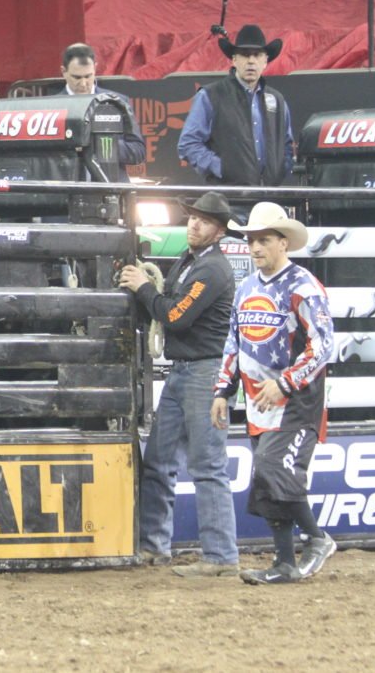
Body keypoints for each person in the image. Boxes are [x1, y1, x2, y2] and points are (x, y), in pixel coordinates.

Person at [213, 202, 335, 584]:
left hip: (296, 400)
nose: (255, 248)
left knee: (273, 468)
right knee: (267, 481)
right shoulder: (246, 288)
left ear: (283, 243)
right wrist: (223, 390)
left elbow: (323, 344)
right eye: (251, 240)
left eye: (264, 240)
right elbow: (234, 343)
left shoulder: (303, 286)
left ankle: (316, 538)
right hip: (257, 399)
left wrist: (285, 382)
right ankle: (284, 562)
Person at [119, 192, 239, 577]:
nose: (193, 224)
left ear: (218, 231)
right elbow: (171, 304)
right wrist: (150, 292)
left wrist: (142, 287)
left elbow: (175, 314)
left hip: (204, 371)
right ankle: (155, 546)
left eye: (203, 221)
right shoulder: (194, 262)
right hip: (187, 369)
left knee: (206, 464)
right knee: (159, 459)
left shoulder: (212, 271)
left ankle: (220, 555)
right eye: (192, 218)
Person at [179, 25, 295, 187]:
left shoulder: (277, 100)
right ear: (234, 59)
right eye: (245, 54)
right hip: (228, 199)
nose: (251, 61)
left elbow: (287, 145)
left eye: (257, 55)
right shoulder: (211, 95)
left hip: (268, 198)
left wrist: (279, 171)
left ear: (265, 60)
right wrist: (222, 169)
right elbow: (189, 144)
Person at [55, 43, 146, 181]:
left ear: (95, 69)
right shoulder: (52, 108)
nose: (84, 83)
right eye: (77, 78)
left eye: (88, 76)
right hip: (67, 190)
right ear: (63, 72)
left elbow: (138, 152)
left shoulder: (117, 103)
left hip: (111, 190)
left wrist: (100, 145)